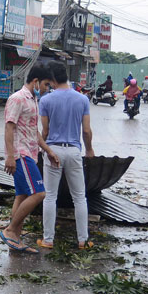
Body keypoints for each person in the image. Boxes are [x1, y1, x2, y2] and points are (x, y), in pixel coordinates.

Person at [1, 66, 59, 254]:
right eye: (45, 85)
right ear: (35, 81)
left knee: (22, 195)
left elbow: (34, 131)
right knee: (39, 193)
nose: (46, 89)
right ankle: (10, 230)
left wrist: (48, 151)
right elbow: (9, 128)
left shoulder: (33, 100)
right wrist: (11, 156)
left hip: (31, 154)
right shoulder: (17, 98)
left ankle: (15, 238)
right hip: (20, 154)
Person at [37, 62, 95, 250]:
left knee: (50, 196)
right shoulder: (82, 100)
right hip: (73, 151)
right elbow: (86, 131)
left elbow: (44, 131)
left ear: (52, 80)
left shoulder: (45, 100)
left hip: (53, 151)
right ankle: (83, 240)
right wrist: (89, 150)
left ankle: (48, 240)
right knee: (79, 197)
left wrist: (43, 149)